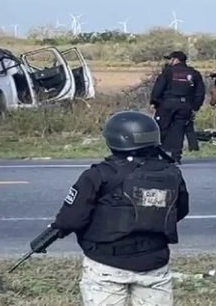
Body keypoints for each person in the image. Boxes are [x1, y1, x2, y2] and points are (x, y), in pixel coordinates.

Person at [50, 110, 189, 306]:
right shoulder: (171, 172)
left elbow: (71, 219)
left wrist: (58, 229)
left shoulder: (98, 175)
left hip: (106, 263)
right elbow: (180, 210)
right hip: (154, 261)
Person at [150, 51, 205, 164]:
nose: (169, 61)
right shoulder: (194, 73)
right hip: (185, 105)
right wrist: (195, 107)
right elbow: (200, 93)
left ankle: (160, 155)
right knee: (178, 130)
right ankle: (176, 157)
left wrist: (155, 102)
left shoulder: (168, 72)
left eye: (170, 59)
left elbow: (158, 89)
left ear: (176, 60)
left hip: (167, 104)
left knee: (161, 129)